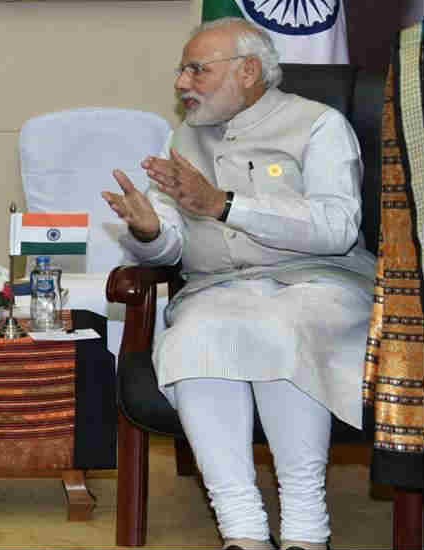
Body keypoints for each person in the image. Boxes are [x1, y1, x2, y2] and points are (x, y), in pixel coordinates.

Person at [102, 18, 375, 550]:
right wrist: (149, 231)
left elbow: (338, 227)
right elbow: (171, 248)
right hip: (219, 289)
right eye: (181, 71)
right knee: (194, 337)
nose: (181, 83)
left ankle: (306, 529)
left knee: (280, 328)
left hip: (320, 284)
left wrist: (226, 204)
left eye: (196, 70)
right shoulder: (183, 138)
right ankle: (242, 529)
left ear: (248, 71)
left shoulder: (319, 125)